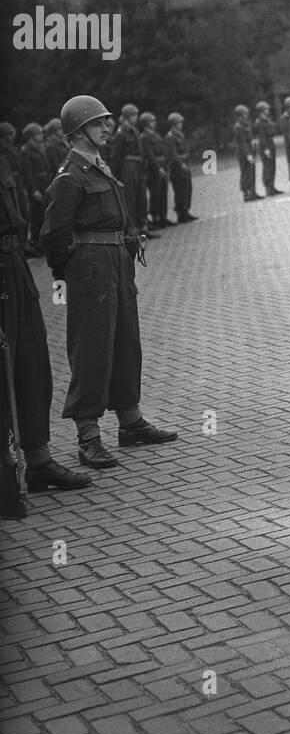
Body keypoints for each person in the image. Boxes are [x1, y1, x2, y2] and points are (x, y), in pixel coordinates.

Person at [39, 96, 178, 470]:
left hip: (117, 264)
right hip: (91, 269)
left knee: (126, 343)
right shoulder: (70, 176)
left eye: (106, 122)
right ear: (79, 130)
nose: (107, 127)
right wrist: (72, 272)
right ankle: (88, 437)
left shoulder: (100, 166)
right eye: (99, 123)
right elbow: (53, 236)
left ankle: (130, 421)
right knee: (93, 349)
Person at [1, 137, 93, 507]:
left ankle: (38, 461)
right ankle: (8, 473)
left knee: (32, 367)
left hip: (14, 264)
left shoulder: (4, 153)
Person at [108, 103, 152, 236]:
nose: (136, 117)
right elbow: (116, 156)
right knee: (130, 198)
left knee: (141, 197)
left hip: (138, 166)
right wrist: (115, 175)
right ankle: (133, 230)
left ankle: (143, 226)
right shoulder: (121, 133)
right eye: (133, 115)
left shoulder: (134, 130)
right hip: (128, 167)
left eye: (136, 115)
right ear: (127, 116)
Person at [17, 123, 50, 255]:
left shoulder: (39, 148)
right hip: (36, 185)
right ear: (31, 136)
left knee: (43, 214)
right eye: (38, 133)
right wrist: (33, 190)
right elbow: (27, 173)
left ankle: (40, 242)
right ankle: (34, 242)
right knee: (36, 215)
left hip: (43, 183)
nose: (41, 135)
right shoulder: (26, 151)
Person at [164, 113, 198, 223]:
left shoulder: (179, 134)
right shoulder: (170, 137)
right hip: (177, 167)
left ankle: (186, 211)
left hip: (184, 163)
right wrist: (180, 163)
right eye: (179, 122)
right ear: (174, 124)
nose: (181, 124)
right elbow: (172, 154)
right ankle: (181, 214)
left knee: (187, 188)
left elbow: (185, 149)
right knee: (180, 190)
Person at [139, 112, 169, 229]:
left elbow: (162, 150)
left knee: (163, 193)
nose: (154, 122)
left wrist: (165, 165)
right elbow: (149, 155)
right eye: (152, 121)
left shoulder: (155, 135)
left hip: (161, 165)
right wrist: (158, 167)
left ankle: (163, 217)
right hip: (153, 168)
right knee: (155, 193)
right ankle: (155, 218)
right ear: (146, 124)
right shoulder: (144, 137)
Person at [252, 101, 281, 196]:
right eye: (266, 109)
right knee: (267, 167)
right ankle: (268, 188)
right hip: (265, 146)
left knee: (272, 166)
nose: (268, 110)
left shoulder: (266, 120)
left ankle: (272, 187)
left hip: (270, 143)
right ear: (262, 111)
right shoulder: (260, 122)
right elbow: (262, 136)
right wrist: (266, 149)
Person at [232, 105, 260, 203]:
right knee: (245, 173)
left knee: (251, 172)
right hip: (243, 153)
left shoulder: (245, 124)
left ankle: (252, 192)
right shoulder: (238, 127)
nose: (246, 115)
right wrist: (248, 154)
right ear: (240, 115)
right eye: (245, 113)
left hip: (249, 151)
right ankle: (246, 194)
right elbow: (242, 142)